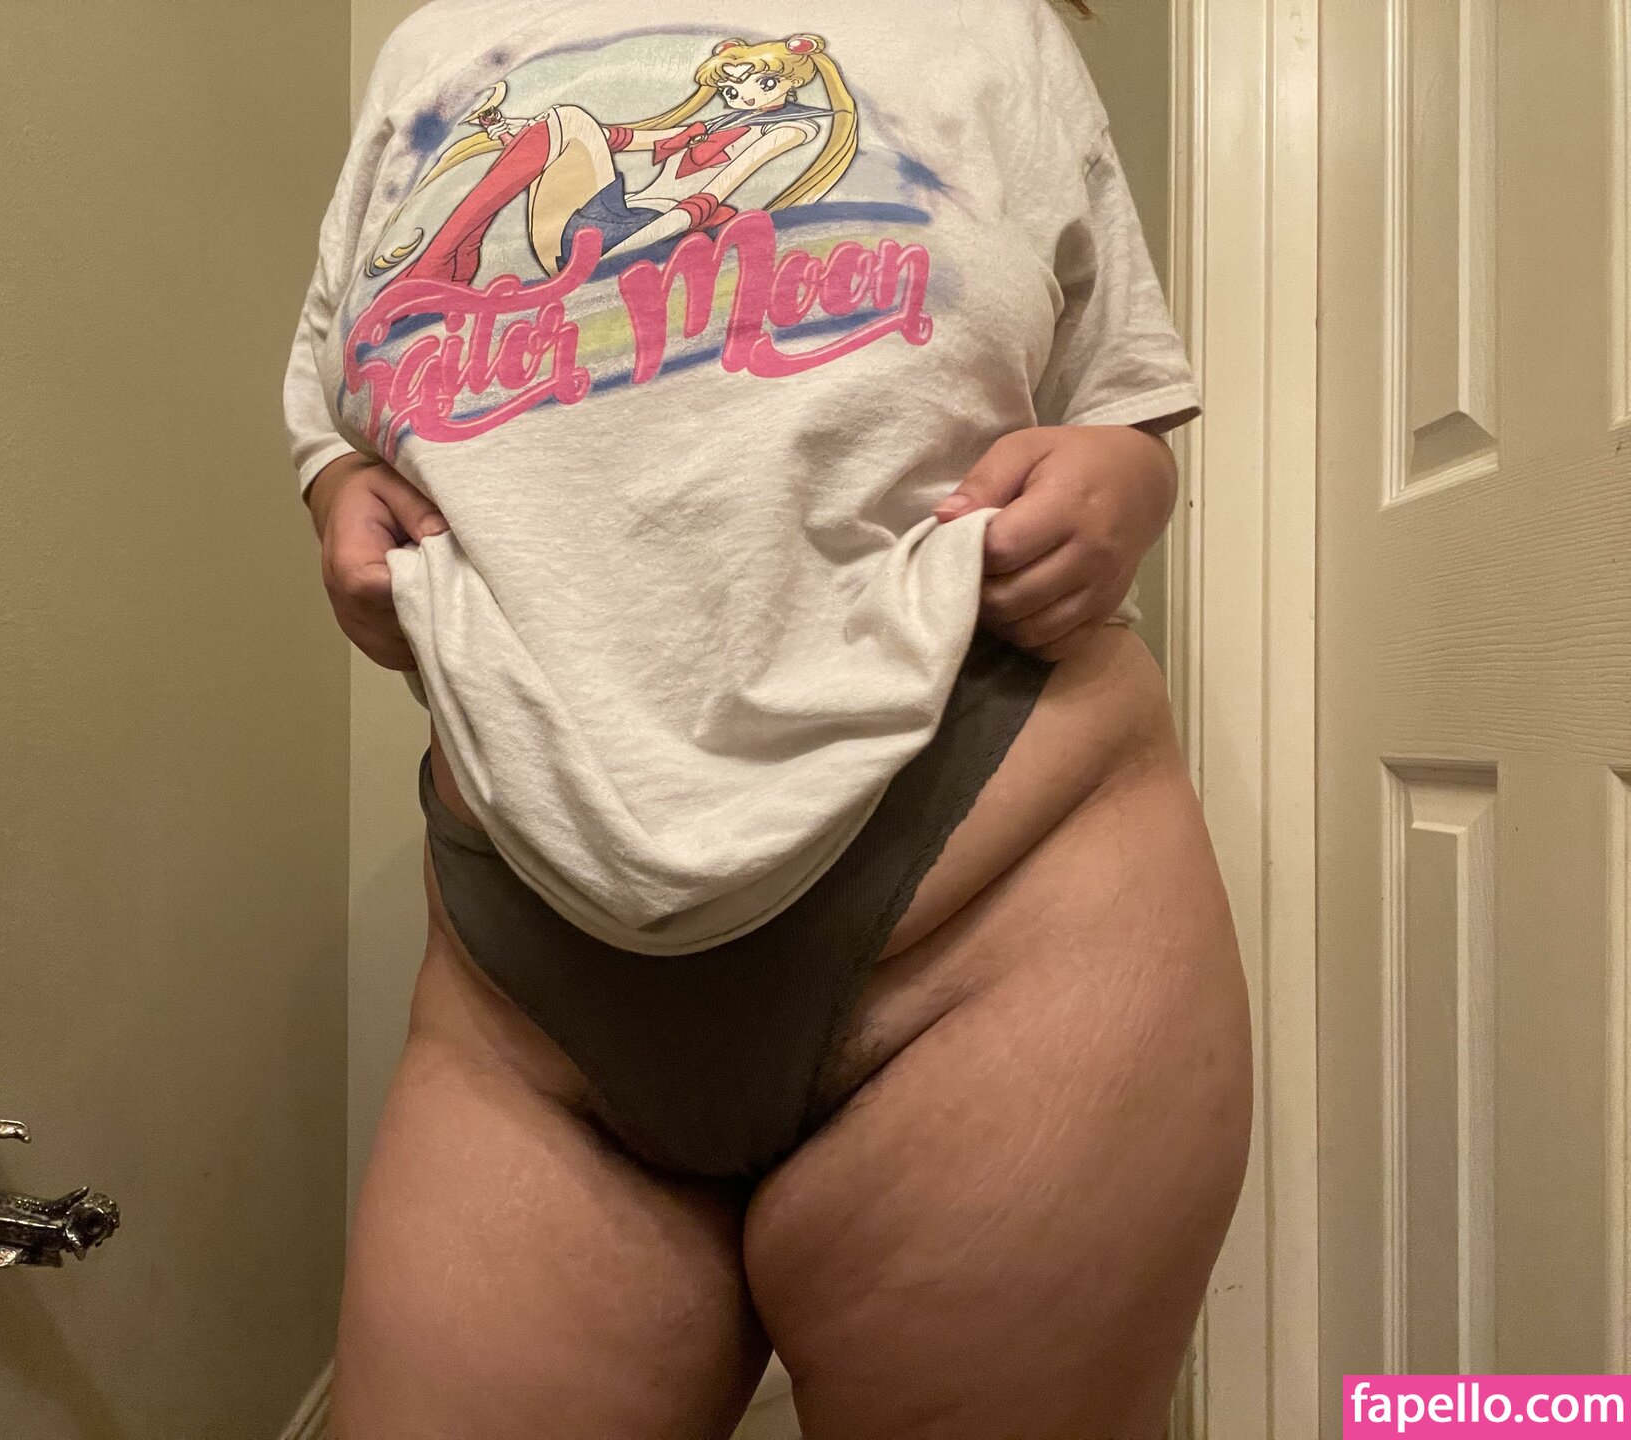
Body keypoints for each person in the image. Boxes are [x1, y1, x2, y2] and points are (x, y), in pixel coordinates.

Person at [285, 2, 1252, 1435]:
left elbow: (1120, 390)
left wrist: (1126, 483)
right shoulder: (433, 50)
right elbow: (336, 377)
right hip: (524, 993)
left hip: (993, 913)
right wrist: (335, 487)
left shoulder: (992, 30)